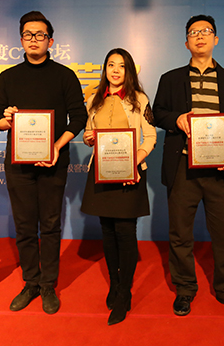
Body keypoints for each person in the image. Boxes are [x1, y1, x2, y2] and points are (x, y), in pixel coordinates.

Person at [153, 14, 224, 319]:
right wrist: (177, 118)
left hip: (222, 170)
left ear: (215, 39)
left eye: (206, 31)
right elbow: (157, 113)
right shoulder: (170, 78)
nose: (199, 36)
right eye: (193, 32)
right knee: (180, 234)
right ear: (186, 42)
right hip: (183, 166)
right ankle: (185, 288)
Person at [0, 11, 87, 315]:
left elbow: (79, 117)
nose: (34, 40)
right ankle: (30, 282)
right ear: (21, 39)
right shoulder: (7, 77)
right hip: (18, 164)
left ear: (51, 41)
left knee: (50, 225)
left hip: (53, 162)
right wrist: (6, 120)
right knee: (24, 226)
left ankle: (48, 284)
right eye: (28, 34)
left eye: (40, 35)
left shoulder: (64, 76)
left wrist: (57, 146)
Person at [80, 48, 156, 325]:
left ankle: (125, 292)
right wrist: (88, 138)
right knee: (107, 230)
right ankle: (114, 282)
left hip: (130, 172)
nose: (115, 70)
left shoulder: (140, 99)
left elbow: (150, 136)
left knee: (125, 231)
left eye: (121, 66)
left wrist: (136, 159)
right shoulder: (94, 99)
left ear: (129, 70)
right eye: (111, 65)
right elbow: (88, 133)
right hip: (101, 172)